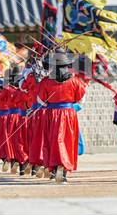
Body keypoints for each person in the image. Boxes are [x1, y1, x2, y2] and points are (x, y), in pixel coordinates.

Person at [37, 48, 86, 184]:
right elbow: (81, 100)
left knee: (52, 142)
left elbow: (41, 101)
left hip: (51, 114)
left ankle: (53, 169)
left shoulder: (46, 81)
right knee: (67, 143)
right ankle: (63, 172)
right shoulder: (75, 81)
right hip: (69, 115)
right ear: (67, 65)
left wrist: (52, 105)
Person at [3, 66, 25, 175]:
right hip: (22, 116)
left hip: (11, 117)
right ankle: (22, 165)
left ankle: (13, 160)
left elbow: (1, 99)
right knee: (22, 140)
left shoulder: (7, 88)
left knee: (11, 140)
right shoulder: (24, 88)